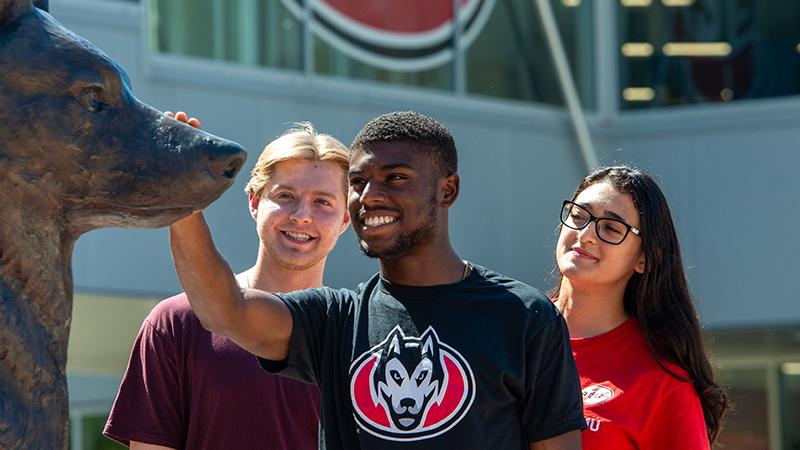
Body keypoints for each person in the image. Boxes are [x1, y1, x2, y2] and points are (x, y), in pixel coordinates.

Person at [168, 111, 585, 450]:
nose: (369, 195)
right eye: (358, 181)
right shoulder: (336, 318)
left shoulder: (524, 315)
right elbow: (225, 310)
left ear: (448, 190)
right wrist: (182, 195)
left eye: (396, 178)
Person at [103, 113, 352, 450]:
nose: (302, 215)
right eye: (285, 196)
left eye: (323, 202)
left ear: (346, 219)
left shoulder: (359, 336)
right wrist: (183, 187)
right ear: (254, 202)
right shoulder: (176, 322)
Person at [552, 165, 729, 450]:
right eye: (578, 215)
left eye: (611, 228)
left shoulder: (662, 383)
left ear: (645, 259)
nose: (585, 234)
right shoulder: (512, 332)